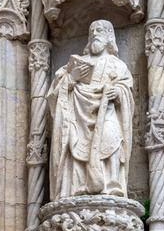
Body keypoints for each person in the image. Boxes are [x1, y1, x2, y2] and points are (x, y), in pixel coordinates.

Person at [47, 19, 134, 201]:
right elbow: (55, 95)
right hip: (78, 117)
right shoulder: (77, 64)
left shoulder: (118, 65)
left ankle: (112, 187)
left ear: (109, 36)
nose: (95, 34)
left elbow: (126, 91)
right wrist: (72, 78)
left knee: (112, 137)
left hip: (107, 114)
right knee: (74, 142)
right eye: (92, 30)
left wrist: (117, 92)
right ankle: (77, 187)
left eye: (100, 30)